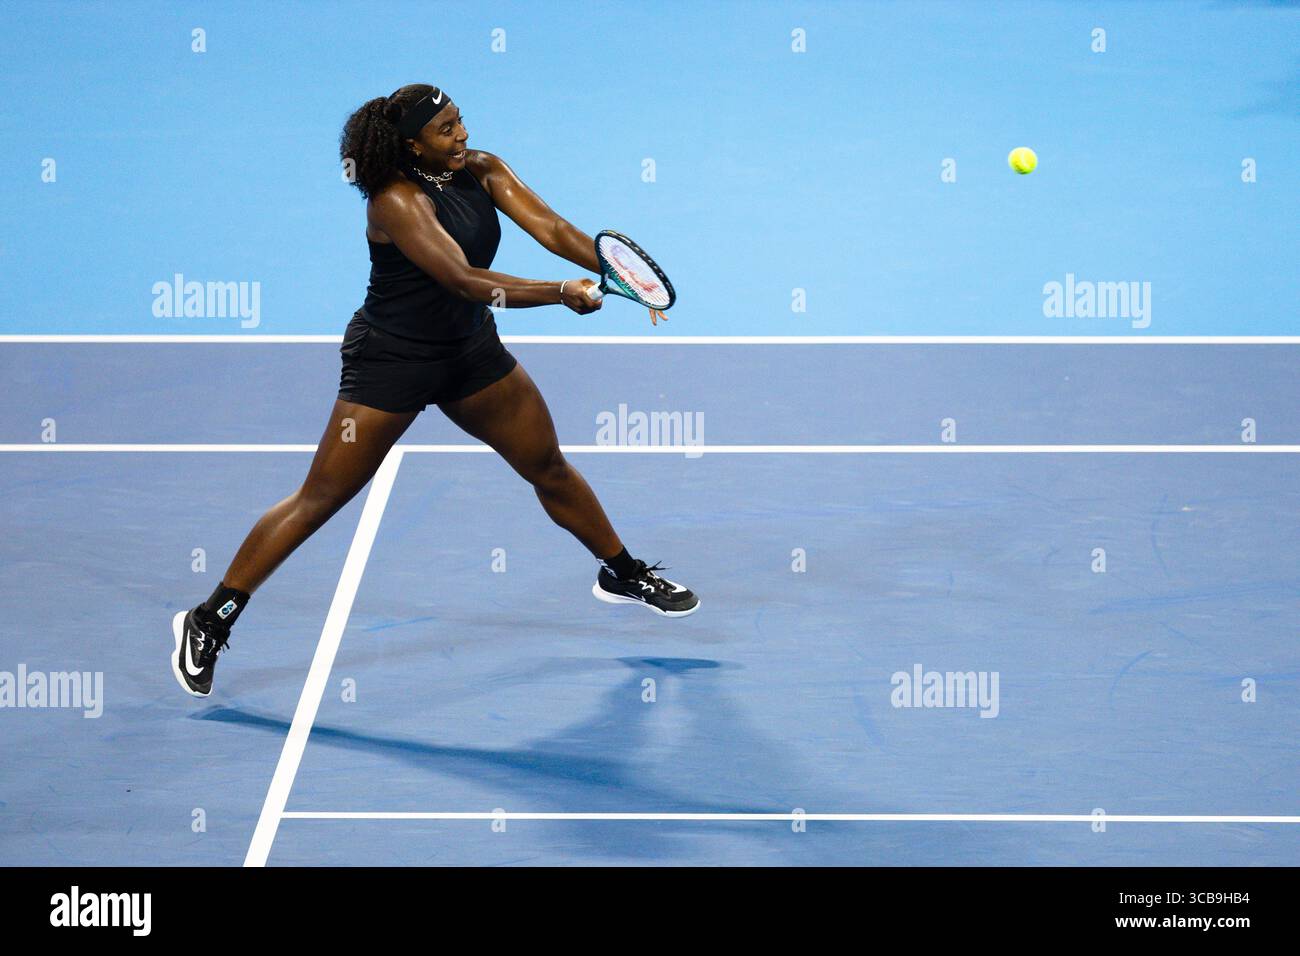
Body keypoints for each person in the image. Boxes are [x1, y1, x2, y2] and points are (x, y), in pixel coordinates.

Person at [171, 83, 699, 699]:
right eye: (446, 129)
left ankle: (623, 573)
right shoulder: (394, 201)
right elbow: (463, 277)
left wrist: (616, 275)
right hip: (391, 364)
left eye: (461, 121)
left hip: (470, 355)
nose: (462, 136)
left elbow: (551, 226)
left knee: (548, 468)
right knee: (319, 500)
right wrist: (561, 292)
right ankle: (209, 619)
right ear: (411, 142)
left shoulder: (482, 169)